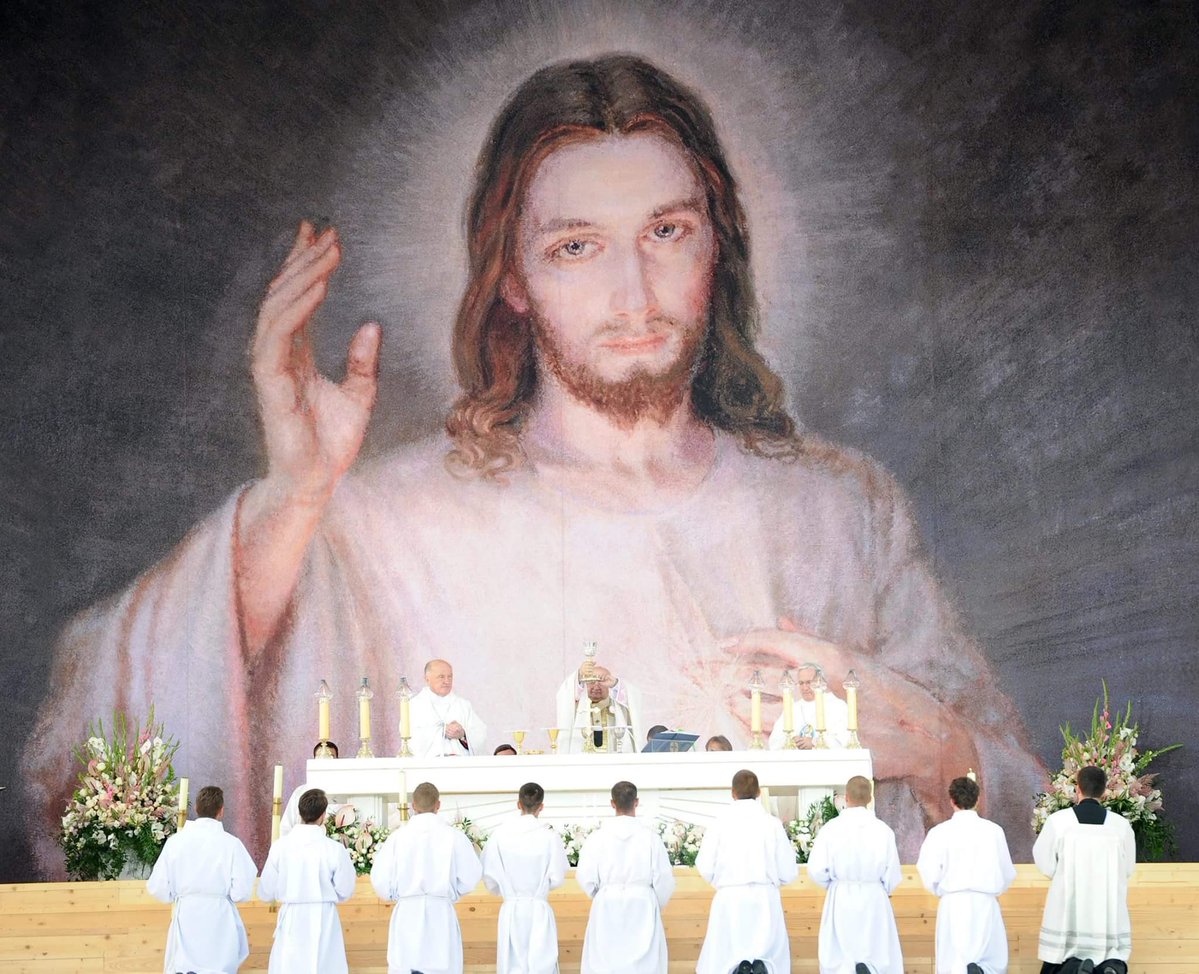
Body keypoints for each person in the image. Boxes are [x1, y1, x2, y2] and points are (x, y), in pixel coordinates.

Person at [22, 52, 1045, 871]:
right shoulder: (382, 522)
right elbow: (100, 764)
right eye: (576, 247)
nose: (633, 291)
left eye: (666, 231)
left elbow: (1023, 806)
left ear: (716, 245)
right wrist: (292, 498)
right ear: (510, 277)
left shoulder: (840, 509)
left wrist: (936, 746)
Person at [370, 781, 483, 974]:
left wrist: (398, 896)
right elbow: (471, 877)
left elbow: (380, 881)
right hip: (440, 912)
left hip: (408, 913)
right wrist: (452, 893)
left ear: (413, 805)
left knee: (406, 966)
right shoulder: (454, 837)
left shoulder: (398, 837)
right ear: (438, 805)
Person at [1033, 765, 1136, 974]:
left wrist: (1062, 876)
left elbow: (1044, 862)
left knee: (1060, 959)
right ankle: (1107, 968)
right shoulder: (1120, 826)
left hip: (1069, 903)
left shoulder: (1058, 822)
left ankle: (1075, 968)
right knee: (1109, 954)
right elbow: (1127, 869)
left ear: (1077, 788)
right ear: (1105, 791)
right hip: (1105, 906)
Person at [146, 785, 258, 974]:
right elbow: (241, 892)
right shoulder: (231, 844)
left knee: (185, 967)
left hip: (187, 915)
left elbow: (158, 888)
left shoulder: (176, 842)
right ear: (221, 811)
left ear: (196, 808)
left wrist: (179, 895)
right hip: (219, 917)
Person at [695, 769, 798, 974]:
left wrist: (723, 883)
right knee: (768, 957)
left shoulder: (719, 823)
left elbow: (705, 866)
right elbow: (787, 870)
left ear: (733, 793)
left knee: (725, 958)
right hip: (764, 898)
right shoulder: (772, 824)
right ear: (759, 792)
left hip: (730, 898)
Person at [916, 776, 1016, 974]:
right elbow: (1006, 872)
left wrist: (939, 890)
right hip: (985, 903)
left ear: (952, 801)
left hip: (953, 904)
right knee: (989, 961)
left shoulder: (940, 833)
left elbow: (928, 871)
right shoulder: (993, 831)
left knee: (954, 963)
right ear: (977, 799)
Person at [576, 780, 676, 974]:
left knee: (605, 962)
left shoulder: (597, 838)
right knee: (644, 966)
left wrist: (601, 895)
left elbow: (585, 876)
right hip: (642, 904)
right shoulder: (651, 838)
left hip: (607, 903)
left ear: (612, 803)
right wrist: (653, 901)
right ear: (636, 802)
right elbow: (664, 879)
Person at [807, 775, 904, 974]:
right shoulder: (883, 831)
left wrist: (834, 885)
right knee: (876, 952)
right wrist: (880, 888)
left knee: (842, 957)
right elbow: (892, 874)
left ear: (846, 797)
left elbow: (816, 869)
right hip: (874, 899)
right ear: (870, 798)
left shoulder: (831, 829)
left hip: (841, 898)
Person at [257, 788, 356, 974]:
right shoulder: (334, 849)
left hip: (292, 917)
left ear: (299, 812)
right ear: (323, 815)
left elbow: (265, 892)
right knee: (323, 966)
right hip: (324, 917)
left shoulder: (280, 847)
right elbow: (345, 890)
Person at [481, 782, 569, 974]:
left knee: (511, 963)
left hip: (512, 909)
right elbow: (558, 878)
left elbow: (489, 878)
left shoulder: (500, 835)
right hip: (538, 908)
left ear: (518, 804)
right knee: (541, 964)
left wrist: (506, 891)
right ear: (541, 806)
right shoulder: (550, 837)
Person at [410, 658, 488, 757]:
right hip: (429, 764)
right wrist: (442, 731)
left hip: (461, 763)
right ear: (427, 679)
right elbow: (410, 738)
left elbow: (481, 734)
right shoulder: (414, 705)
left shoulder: (463, 705)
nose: (447, 681)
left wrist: (463, 735)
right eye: (441, 677)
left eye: (450, 677)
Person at [557, 663, 643, 753]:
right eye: (591, 681)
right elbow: (566, 693)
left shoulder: (618, 705)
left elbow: (633, 699)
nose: (596, 686)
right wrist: (579, 675)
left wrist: (616, 684)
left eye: (601, 681)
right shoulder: (576, 704)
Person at [767, 664, 850, 749]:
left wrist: (815, 743)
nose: (805, 688)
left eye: (808, 682)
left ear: (820, 681)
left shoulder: (837, 706)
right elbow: (774, 742)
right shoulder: (792, 709)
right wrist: (791, 741)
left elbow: (844, 740)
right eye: (801, 683)